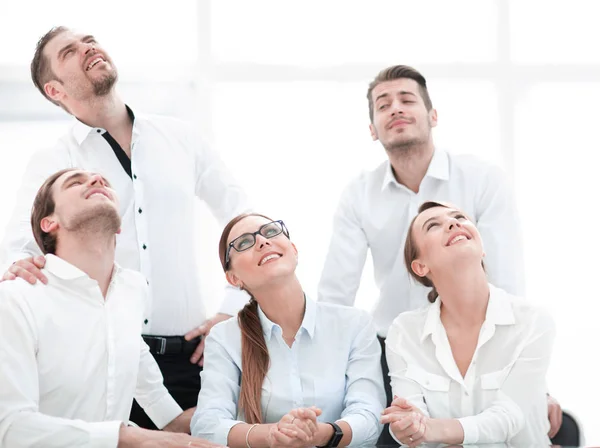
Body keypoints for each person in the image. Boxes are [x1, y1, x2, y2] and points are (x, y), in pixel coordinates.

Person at [0, 26, 250, 428]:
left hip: (190, 358)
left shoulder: (180, 137)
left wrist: (232, 308)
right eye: (69, 51)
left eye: (90, 40)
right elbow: (21, 249)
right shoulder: (54, 160)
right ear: (54, 90)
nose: (89, 48)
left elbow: (243, 217)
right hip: (100, 361)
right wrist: (17, 272)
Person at [317, 64, 562, 438]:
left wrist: (531, 385)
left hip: (486, 334)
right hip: (397, 347)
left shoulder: (482, 178)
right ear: (372, 129)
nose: (395, 108)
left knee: (531, 427)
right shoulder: (358, 195)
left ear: (432, 115)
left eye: (407, 99)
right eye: (383, 105)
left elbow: (507, 279)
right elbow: (336, 295)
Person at [0, 168, 221, 448]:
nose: (96, 180)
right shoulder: (15, 298)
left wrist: (172, 421)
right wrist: (130, 437)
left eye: (104, 182)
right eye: (75, 182)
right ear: (49, 222)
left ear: (118, 226)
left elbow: (134, 354)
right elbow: (9, 427)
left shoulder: (133, 288)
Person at [191, 213, 385, 447]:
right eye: (244, 243)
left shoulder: (354, 324)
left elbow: (370, 418)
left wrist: (322, 434)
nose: (262, 241)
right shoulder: (224, 338)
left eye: (271, 232)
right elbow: (206, 426)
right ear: (233, 279)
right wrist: (273, 434)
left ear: (293, 249)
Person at [381, 201, 555, 446]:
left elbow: (510, 418)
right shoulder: (404, 332)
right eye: (433, 226)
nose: (454, 223)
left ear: (481, 247)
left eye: (459, 217)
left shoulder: (533, 321)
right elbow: (412, 427)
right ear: (421, 266)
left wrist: (431, 429)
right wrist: (406, 428)